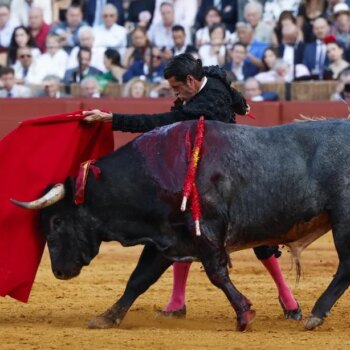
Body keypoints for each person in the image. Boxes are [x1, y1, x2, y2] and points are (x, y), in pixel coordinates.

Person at [83, 53, 301, 320]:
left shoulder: (200, 106)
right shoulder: (213, 77)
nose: (177, 94)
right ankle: (177, 301)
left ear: (190, 80)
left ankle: (287, 295)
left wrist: (113, 119)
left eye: (177, 89)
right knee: (184, 223)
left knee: (260, 239)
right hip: (210, 164)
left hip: (227, 170)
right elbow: (232, 93)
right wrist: (241, 105)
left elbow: (158, 122)